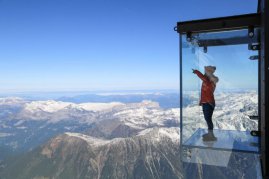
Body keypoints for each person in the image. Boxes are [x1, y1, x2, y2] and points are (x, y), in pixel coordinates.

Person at [192, 66, 219, 141]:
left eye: (205, 72)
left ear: (208, 73)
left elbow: (202, 77)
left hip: (208, 103)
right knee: (207, 119)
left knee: (208, 119)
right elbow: (204, 93)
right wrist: (201, 101)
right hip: (206, 102)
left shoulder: (208, 81)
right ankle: (210, 134)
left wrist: (196, 71)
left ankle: (211, 135)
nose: (204, 73)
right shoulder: (208, 81)